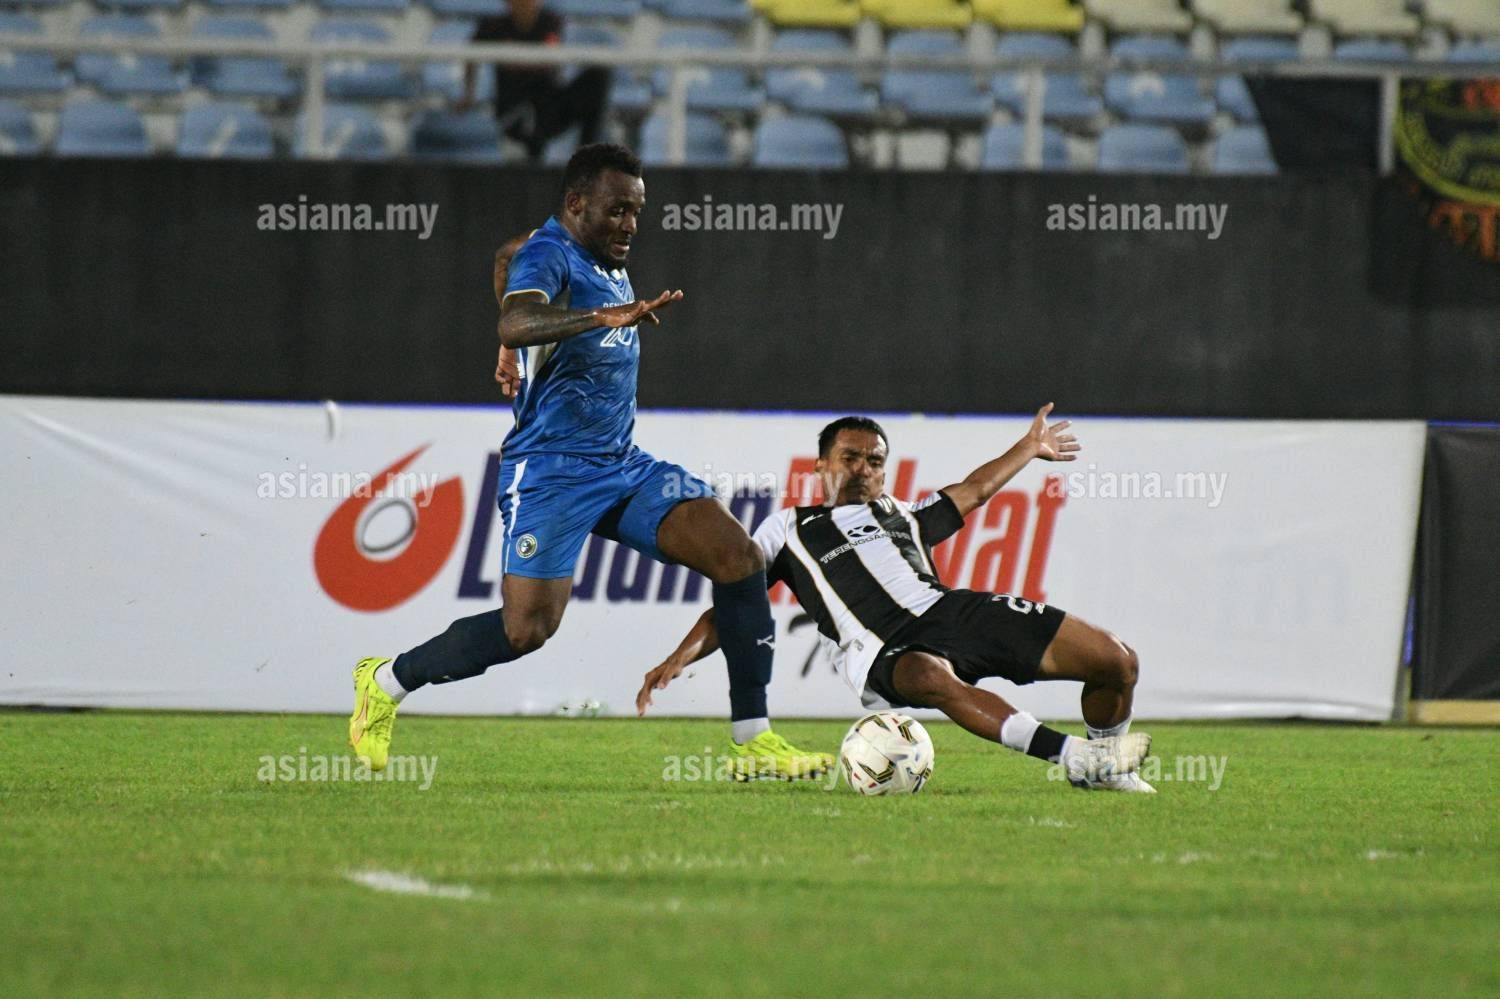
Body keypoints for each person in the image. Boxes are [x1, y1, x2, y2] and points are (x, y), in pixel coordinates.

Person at [349, 144, 832, 781]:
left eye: (637, 212)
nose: (630, 225)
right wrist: (560, 325)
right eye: (617, 210)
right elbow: (519, 314)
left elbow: (507, 264)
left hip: (622, 463)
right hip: (550, 471)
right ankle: (385, 681)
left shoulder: (590, 253)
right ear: (576, 204)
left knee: (738, 556)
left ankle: (754, 738)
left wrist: (516, 345)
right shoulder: (553, 254)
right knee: (526, 630)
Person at [637, 405, 1156, 791]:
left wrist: (1027, 447)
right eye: (849, 457)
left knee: (1116, 661)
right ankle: (1073, 756)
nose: (862, 468)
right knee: (929, 675)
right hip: (881, 650)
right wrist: (678, 657)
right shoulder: (788, 528)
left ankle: (1106, 767)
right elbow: (736, 603)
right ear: (820, 466)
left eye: (874, 461)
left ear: (885, 471)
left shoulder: (907, 515)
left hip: (951, 612)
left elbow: (975, 489)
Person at [458, 0, 609, 161]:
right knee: (529, 150)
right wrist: (468, 94)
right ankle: (531, 162)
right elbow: (471, 54)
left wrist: (514, 59)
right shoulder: (493, 26)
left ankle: (587, 161)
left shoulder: (551, 21)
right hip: (514, 110)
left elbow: (550, 58)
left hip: (548, 106)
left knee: (598, 76)